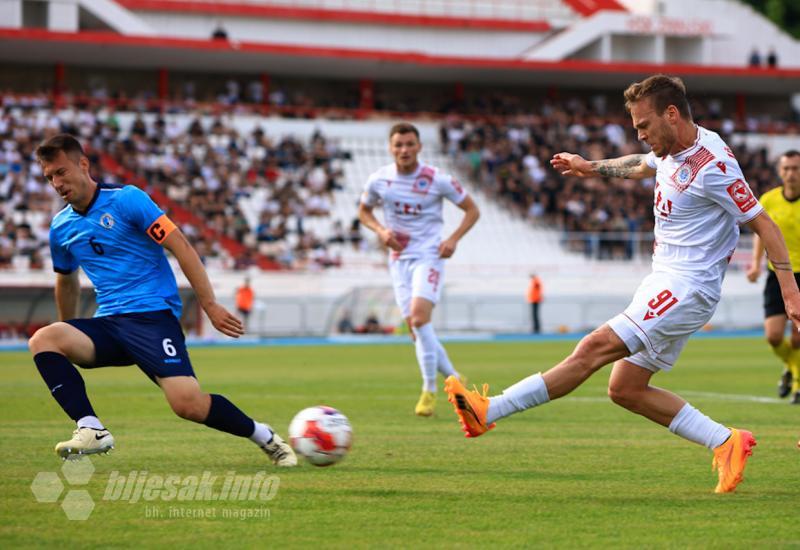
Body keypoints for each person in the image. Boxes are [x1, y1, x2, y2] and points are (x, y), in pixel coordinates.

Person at [444, 75, 800, 493]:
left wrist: (790, 290)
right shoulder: (669, 149)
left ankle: (489, 411)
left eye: (644, 125)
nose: (641, 135)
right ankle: (726, 441)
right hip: (665, 281)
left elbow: (764, 223)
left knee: (592, 348)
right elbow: (640, 164)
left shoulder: (714, 165)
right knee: (625, 389)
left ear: (672, 114)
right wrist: (590, 167)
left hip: (686, 288)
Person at [28, 134, 296, 466]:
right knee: (45, 339)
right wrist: (66, 326)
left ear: (83, 164)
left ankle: (263, 436)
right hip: (109, 323)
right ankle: (91, 427)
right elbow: (66, 280)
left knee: (188, 405)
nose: (56, 183)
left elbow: (179, 244)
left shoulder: (127, 200)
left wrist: (209, 304)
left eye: (61, 172)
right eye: (49, 177)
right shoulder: (61, 227)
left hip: (152, 318)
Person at [358, 122, 480, 416]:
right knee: (417, 329)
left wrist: (452, 239)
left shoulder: (437, 179)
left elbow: (472, 210)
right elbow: (363, 211)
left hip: (429, 256)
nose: (404, 150)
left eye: (410, 144)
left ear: (419, 147)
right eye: (399, 145)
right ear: (390, 148)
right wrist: (380, 231)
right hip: (399, 261)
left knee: (418, 317)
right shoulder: (379, 179)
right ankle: (454, 378)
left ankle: (429, 392)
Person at [746, 150, 800, 403]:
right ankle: (791, 366)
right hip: (776, 274)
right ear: (780, 171)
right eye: (787, 168)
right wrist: (755, 265)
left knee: (798, 337)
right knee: (773, 336)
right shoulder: (768, 200)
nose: (791, 173)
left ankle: (798, 381)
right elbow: (761, 234)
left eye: (796, 168)